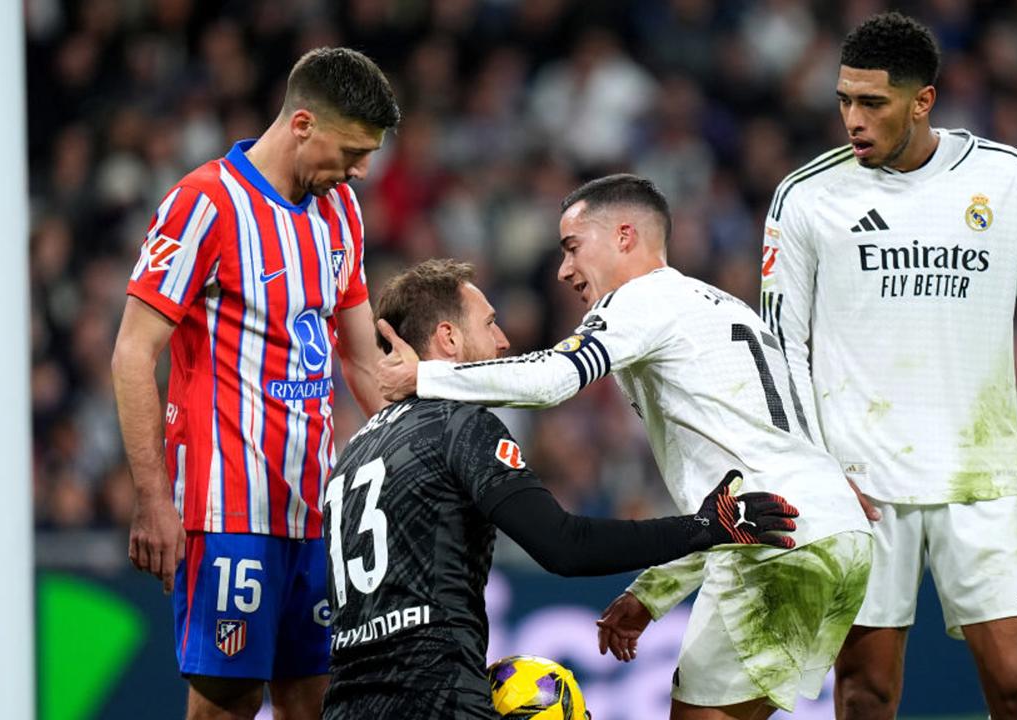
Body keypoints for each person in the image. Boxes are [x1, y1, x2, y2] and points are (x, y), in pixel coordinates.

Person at [378, 175, 874, 720]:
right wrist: (654, 593)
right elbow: (729, 509)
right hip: (829, 527)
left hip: (781, 541)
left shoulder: (643, 301)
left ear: (624, 236)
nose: (563, 270)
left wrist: (426, 376)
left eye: (572, 247)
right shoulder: (723, 309)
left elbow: (552, 380)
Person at [756, 13, 1017, 720]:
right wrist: (804, 473)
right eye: (844, 101)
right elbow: (777, 350)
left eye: (872, 103)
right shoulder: (806, 198)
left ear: (923, 101)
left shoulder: (1006, 180)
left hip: (978, 479)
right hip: (859, 485)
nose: (852, 120)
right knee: (865, 695)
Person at [322, 259, 800, 719]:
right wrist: (707, 526)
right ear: (448, 338)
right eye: (489, 323)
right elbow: (564, 546)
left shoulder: (352, 454)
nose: (504, 340)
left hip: (344, 704)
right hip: (438, 697)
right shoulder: (459, 424)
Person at [110, 47, 400, 720]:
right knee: (226, 706)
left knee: (318, 702)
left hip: (316, 512)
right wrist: (153, 497)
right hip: (226, 512)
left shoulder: (341, 213)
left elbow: (361, 361)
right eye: (353, 151)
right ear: (302, 124)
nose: (360, 170)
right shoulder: (204, 204)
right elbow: (133, 352)